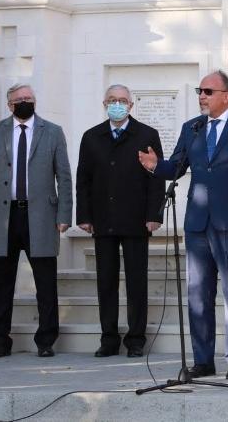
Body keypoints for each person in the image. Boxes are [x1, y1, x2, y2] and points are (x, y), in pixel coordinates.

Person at [138, 70, 228, 380]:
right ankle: (202, 359)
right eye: (200, 90)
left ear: (226, 95)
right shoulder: (193, 127)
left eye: (208, 91)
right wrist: (157, 168)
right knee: (198, 292)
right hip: (198, 222)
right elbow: (177, 166)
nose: (202, 96)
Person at [0, 83, 73, 358]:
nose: (25, 102)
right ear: (9, 104)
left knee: (45, 281)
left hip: (41, 216)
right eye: (19, 99)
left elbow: (63, 176)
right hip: (5, 216)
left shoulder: (52, 131)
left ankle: (46, 340)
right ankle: (0, 340)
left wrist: (65, 215)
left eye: (29, 97)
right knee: (0, 282)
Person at [76, 84, 166, 358]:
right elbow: (83, 180)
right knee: (106, 281)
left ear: (131, 105)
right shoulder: (92, 137)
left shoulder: (147, 135)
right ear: (104, 104)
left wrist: (154, 215)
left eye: (122, 100)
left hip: (136, 220)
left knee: (136, 281)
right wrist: (84, 216)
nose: (117, 104)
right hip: (103, 220)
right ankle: (109, 338)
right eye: (112, 100)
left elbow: (157, 177)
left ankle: (136, 339)